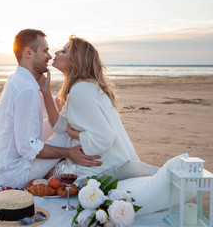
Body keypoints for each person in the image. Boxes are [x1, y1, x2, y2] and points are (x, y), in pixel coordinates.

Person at [0, 29, 101, 188]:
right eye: (45, 51)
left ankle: (52, 168)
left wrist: (45, 90)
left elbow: (51, 108)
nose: (50, 56)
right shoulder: (27, 90)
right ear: (28, 53)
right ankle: (68, 167)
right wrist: (68, 152)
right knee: (65, 133)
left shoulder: (18, 79)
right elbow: (28, 148)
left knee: (51, 125)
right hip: (13, 175)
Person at [38, 35, 140, 181]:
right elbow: (59, 126)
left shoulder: (81, 90)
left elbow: (104, 138)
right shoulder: (82, 87)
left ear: (76, 60)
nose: (56, 53)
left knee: (44, 174)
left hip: (102, 167)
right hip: (100, 161)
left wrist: (77, 135)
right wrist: (46, 92)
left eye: (64, 51)